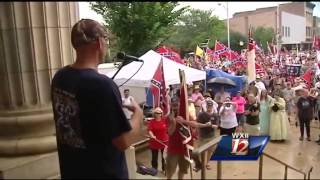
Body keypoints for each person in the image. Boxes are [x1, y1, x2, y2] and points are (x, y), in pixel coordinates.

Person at [51, 19, 143, 179]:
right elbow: (123, 142)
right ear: (99, 43)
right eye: (106, 40)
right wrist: (138, 114)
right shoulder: (102, 85)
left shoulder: (60, 77)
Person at [166, 98, 214, 179]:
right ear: (170, 106)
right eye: (173, 106)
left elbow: (195, 124)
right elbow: (170, 132)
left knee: (183, 169)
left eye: (177, 105)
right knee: (170, 170)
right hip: (173, 148)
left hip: (186, 148)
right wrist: (174, 122)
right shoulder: (168, 117)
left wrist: (184, 121)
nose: (175, 108)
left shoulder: (186, 115)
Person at [193, 100, 219, 172]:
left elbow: (216, 126)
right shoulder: (201, 114)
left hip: (211, 136)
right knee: (201, 151)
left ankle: (207, 163)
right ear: (206, 106)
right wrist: (205, 125)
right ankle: (200, 164)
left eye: (210, 106)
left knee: (210, 151)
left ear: (212, 107)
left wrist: (211, 125)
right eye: (208, 106)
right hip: (202, 136)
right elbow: (197, 124)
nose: (209, 108)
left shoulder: (215, 115)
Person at [148, 107, 168, 173]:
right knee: (154, 157)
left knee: (164, 157)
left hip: (164, 141)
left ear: (161, 114)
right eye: (156, 113)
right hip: (155, 142)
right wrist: (152, 135)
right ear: (154, 114)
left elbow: (169, 129)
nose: (158, 114)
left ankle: (164, 169)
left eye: (159, 113)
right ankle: (154, 169)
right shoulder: (152, 122)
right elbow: (150, 130)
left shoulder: (164, 120)